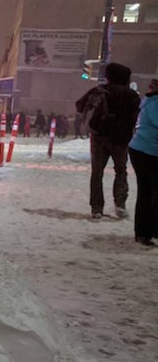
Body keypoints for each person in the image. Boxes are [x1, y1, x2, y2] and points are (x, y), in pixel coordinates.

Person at [75, 63, 141, 219]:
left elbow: (79, 106)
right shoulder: (131, 95)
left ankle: (96, 208)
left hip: (99, 137)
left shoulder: (99, 90)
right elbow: (136, 116)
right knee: (121, 171)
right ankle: (120, 204)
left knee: (97, 172)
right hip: (121, 139)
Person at [129, 79, 158, 247]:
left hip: (145, 150)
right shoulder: (155, 103)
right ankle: (143, 232)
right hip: (145, 152)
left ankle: (150, 231)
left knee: (151, 191)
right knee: (147, 192)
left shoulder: (150, 101)